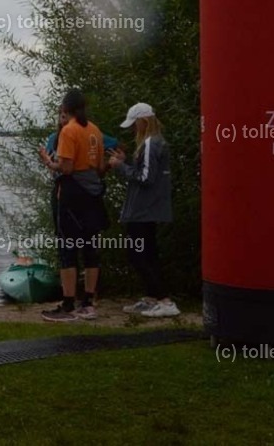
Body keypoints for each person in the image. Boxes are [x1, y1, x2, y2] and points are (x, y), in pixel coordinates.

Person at [38, 89, 108, 322]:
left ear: (66, 108)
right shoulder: (95, 130)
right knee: (90, 248)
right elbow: (99, 166)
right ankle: (88, 302)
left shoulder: (69, 131)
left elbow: (66, 168)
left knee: (67, 248)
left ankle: (68, 304)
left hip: (70, 196)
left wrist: (49, 162)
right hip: (93, 194)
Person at [108, 103, 180, 317]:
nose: (132, 130)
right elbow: (146, 172)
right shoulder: (157, 142)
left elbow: (145, 177)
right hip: (148, 208)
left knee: (137, 254)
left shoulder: (149, 143)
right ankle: (152, 297)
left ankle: (164, 300)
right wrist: (124, 162)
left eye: (134, 125)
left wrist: (120, 166)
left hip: (143, 210)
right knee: (147, 253)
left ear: (143, 122)